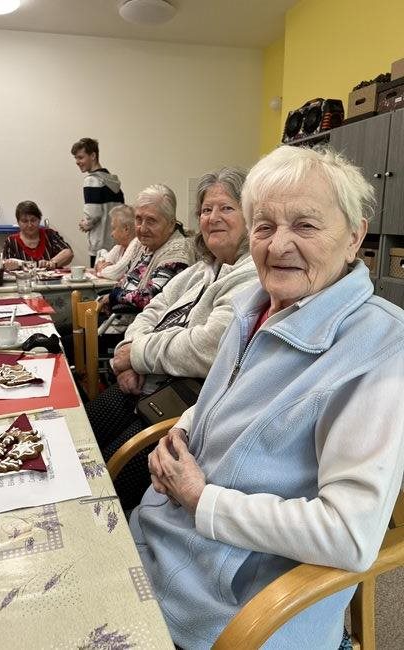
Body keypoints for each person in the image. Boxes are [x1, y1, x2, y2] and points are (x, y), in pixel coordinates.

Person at [131, 146, 404, 650]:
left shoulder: (380, 347)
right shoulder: (255, 304)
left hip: (232, 607)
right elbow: (228, 391)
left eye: (305, 225)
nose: (279, 245)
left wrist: (201, 499)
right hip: (163, 540)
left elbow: (349, 535)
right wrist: (184, 429)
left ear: (355, 237)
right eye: (264, 226)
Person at [86, 168, 258, 509]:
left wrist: (137, 356)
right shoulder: (202, 270)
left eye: (226, 208)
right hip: (144, 386)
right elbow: (150, 310)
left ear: (252, 216)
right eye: (206, 210)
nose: (213, 217)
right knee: (79, 438)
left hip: (174, 410)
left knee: (101, 486)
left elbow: (208, 347)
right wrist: (129, 354)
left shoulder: (253, 275)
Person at [99, 183, 193, 317]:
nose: (142, 228)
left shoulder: (178, 252)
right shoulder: (141, 244)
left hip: (145, 325)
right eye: (138, 219)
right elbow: (125, 281)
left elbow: (149, 297)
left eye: (151, 221)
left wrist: (113, 296)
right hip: (120, 318)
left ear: (171, 224)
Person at [71, 137, 124, 267]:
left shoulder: (91, 180)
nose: (77, 162)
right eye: (76, 158)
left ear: (93, 156)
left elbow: (93, 214)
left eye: (80, 157)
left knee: (98, 278)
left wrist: (86, 224)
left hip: (100, 245)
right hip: (116, 244)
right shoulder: (113, 182)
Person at [2, 201, 74, 271]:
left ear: (39, 220)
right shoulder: (11, 241)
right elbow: (5, 266)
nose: (30, 225)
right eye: (25, 221)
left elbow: (68, 253)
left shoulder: (50, 234)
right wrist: (10, 266)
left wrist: (51, 263)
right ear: (18, 222)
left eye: (33, 220)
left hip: (51, 278)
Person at [94, 205, 141, 281]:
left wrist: (100, 270)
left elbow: (115, 274)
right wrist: (100, 263)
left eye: (114, 228)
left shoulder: (136, 244)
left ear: (126, 229)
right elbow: (101, 258)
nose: (111, 234)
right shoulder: (119, 247)